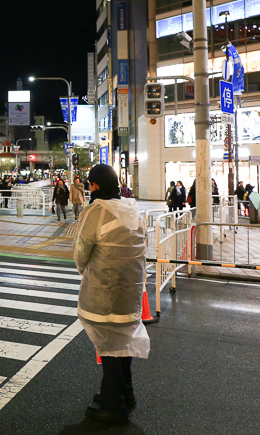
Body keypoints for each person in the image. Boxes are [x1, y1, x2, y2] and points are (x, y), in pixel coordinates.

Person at [75, 163, 150, 425]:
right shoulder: (132, 208)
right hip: (130, 291)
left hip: (103, 292)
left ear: (94, 186)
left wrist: (82, 268)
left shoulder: (95, 211)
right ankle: (122, 394)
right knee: (122, 345)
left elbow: (82, 251)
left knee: (109, 348)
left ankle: (113, 406)